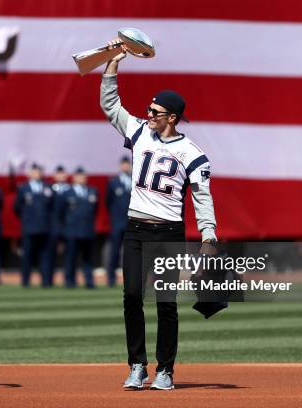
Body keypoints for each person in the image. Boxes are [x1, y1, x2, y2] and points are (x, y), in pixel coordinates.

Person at [100, 39, 217, 390]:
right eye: (148, 110)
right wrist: (112, 65)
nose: (147, 115)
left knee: (166, 303)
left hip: (168, 232)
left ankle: (165, 370)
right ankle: (137, 365)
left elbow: (202, 197)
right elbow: (110, 106)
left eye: (155, 112)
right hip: (136, 228)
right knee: (132, 296)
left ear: (172, 118)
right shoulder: (139, 132)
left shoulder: (192, 152)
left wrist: (209, 234)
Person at [13, 163, 52, 287]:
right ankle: (25, 281)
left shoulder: (48, 187)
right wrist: (26, 219)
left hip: (45, 227)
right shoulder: (23, 188)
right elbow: (17, 207)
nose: (36, 174)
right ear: (29, 173)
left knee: (45, 256)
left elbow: (53, 207)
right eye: (34, 171)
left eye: (38, 171)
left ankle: (46, 281)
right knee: (27, 255)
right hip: (29, 227)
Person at [60, 167, 98, 288]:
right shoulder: (67, 192)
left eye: (83, 176)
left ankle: (89, 281)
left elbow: (95, 210)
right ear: (74, 178)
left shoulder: (92, 191)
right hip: (72, 230)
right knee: (70, 257)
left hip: (87, 230)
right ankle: (69, 281)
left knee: (87, 258)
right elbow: (60, 212)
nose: (81, 178)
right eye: (79, 176)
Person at [105, 156, 132, 287]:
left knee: (131, 253)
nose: (126, 167)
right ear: (120, 166)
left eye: (128, 164)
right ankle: (111, 278)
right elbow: (108, 202)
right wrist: (114, 217)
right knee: (114, 251)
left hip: (132, 223)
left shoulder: (136, 180)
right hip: (117, 223)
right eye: (124, 164)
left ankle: (131, 279)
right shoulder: (113, 182)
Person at [47, 165, 70, 285]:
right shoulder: (49, 189)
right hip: (53, 227)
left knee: (69, 255)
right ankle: (48, 280)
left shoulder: (70, 189)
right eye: (58, 173)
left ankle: (68, 280)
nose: (60, 175)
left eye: (62, 173)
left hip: (68, 227)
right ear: (55, 175)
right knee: (50, 255)